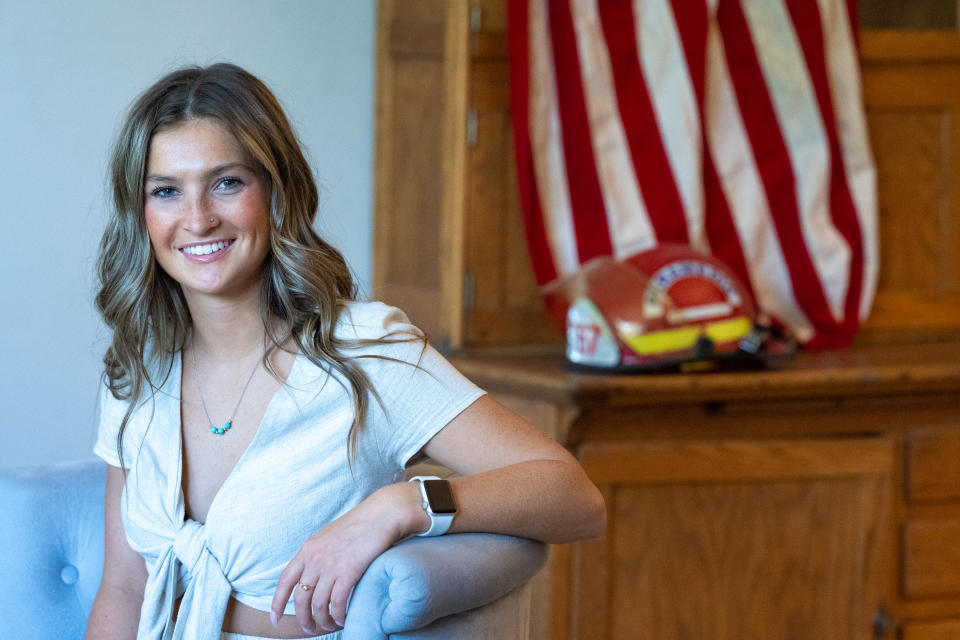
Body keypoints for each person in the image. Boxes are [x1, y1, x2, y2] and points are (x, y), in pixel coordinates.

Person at [84, 63, 605, 640]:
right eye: (166, 191)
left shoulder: (365, 351)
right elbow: (126, 587)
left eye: (227, 182)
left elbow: (575, 497)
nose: (199, 218)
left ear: (275, 190)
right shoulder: (137, 370)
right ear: (142, 215)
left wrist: (401, 505)